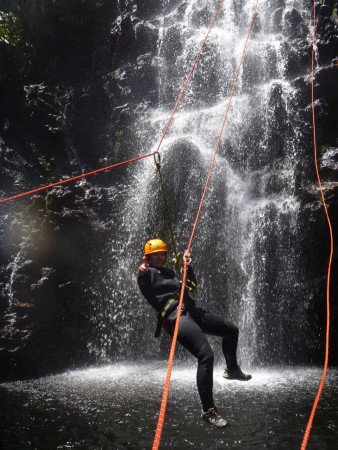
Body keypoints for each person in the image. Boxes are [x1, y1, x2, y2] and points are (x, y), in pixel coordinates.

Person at [137, 238, 251, 428]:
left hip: (192, 310)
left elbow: (191, 287)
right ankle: (209, 411)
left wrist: (187, 266)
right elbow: (143, 278)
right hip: (175, 316)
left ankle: (232, 369)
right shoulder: (147, 274)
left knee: (231, 330)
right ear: (147, 258)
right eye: (154, 255)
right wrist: (142, 272)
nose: (159, 257)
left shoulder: (171, 272)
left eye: (161, 254)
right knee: (205, 355)